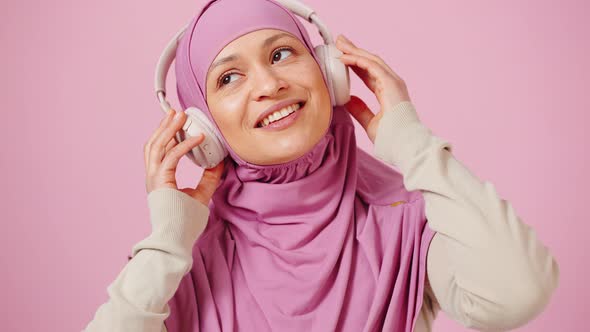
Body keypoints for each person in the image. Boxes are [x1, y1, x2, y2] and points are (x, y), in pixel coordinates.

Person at [84, 0, 560, 331]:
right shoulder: (182, 265)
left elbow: (519, 291)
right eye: (229, 77)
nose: (268, 84)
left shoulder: (408, 224)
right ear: (202, 129)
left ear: (328, 72)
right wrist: (167, 240)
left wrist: (413, 144)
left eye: (282, 53)